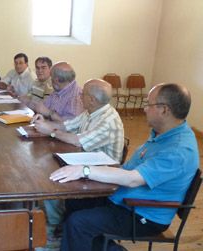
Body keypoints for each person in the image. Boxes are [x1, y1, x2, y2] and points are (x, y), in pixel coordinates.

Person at [50, 83, 199, 251]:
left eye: (148, 104)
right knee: (75, 202)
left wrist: (84, 170)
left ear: (164, 110)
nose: (143, 109)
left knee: (78, 223)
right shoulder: (162, 134)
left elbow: (133, 179)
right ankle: (79, 242)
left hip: (143, 214)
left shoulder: (178, 150)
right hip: (125, 199)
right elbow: (129, 171)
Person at [34, 79, 124, 238]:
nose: (80, 95)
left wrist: (51, 132)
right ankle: (59, 223)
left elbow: (78, 140)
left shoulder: (108, 120)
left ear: (92, 100)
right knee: (45, 167)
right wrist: (47, 124)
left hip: (101, 177)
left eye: (83, 94)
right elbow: (67, 125)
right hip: (85, 163)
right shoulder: (91, 111)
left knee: (50, 184)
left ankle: (54, 230)